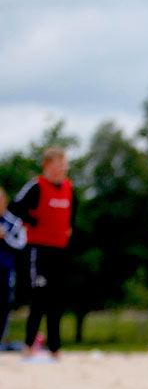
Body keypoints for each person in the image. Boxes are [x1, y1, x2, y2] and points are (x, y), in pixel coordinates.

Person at [12, 147, 76, 360]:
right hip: (39, 250)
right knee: (39, 298)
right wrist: (32, 221)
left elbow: (71, 212)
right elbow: (15, 206)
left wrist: (68, 228)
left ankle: (55, 348)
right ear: (48, 165)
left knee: (57, 300)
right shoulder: (36, 186)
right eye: (59, 163)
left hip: (60, 249)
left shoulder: (68, 187)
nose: (63, 168)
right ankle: (29, 345)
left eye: (64, 164)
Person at [0, 186, 28, 348]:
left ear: (5, 201)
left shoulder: (14, 222)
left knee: (4, 307)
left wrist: (5, 237)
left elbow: (21, 245)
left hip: (5, 271)